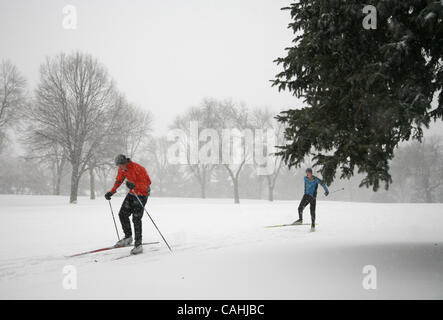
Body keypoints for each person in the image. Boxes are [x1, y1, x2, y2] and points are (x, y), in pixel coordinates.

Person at [105, 154, 151, 254]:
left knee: (136, 218)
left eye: (120, 165)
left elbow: (147, 184)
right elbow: (118, 180)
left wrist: (135, 185)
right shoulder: (122, 169)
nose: (119, 167)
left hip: (142, 194)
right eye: (118, 166)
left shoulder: (138, 168)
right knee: (122, 214)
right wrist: (111, 192)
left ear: (125, 163)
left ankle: (138, 245)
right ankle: (128, 237)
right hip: (132, 193)